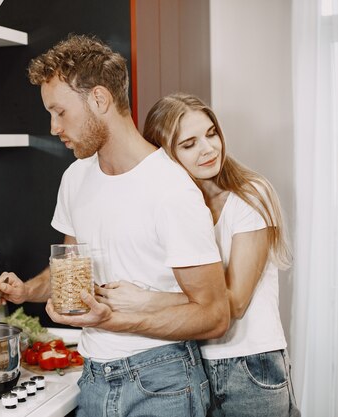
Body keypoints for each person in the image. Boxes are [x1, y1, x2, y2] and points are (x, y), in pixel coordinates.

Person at [0, 34, 230, 417]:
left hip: (163, 382)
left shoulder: (171, 189)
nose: (53, 127)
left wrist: (115, 319)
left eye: (60, 112)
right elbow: (70, 273)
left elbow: (214, 315)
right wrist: (27, 290)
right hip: (95, 379)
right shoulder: (75, 178)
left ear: (99, 99)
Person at [96, 93, 300, 416]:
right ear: (164, 154)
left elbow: (232, 302)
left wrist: (146, 299)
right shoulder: (177, 210)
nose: (208, 149)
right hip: (192, 364)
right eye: (188, 144)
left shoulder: (250, 196)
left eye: (211, 133)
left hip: (249, 366)